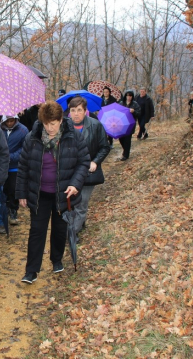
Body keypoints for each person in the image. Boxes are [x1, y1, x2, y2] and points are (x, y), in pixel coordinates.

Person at [16, 101, 90, 284]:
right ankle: (31, 271)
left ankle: (56, 259)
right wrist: (21, 193)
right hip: (39, 194)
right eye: (47, 124)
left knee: (59, 229)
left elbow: (84, 162)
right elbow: (23, 166)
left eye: (54, 124)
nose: (50, 128)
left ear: (60, 120)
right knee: (36, 232)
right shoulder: (32, 138)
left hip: (64, 193)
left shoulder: (73, 136)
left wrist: (75, 184)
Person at [66, 97, 110, 235]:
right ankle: (79, 223)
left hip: (88, 172)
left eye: (79, 110)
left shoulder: (95, 125)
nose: (76, 114)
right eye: (73, 110)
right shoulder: (64, 126)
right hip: (70, 172)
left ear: (85, 111)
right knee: (72, 203)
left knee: (82, 203)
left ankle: (72, 233)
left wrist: (95, 161)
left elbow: (105, 147)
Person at [0, 115, 29, 226]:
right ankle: (4, 209)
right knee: (3, 189)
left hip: (15, 166)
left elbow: (25, 147)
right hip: (1, 166)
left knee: (13, 189)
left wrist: (11, 156)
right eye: (8, 121)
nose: (10, 123)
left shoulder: (23, 130)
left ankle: (13, 210)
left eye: (12, 121)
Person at [118, 90, 141, 161]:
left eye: (130, 96)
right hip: (122, 124)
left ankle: (126, 155)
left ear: (132, 97)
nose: (129, 97)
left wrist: (133, 111)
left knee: (127, 139)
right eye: (127, 95)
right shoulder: (122, 103)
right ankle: (126, 150)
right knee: (121, 138)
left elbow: (139, 114)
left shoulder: (135, 104)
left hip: (131, 124)